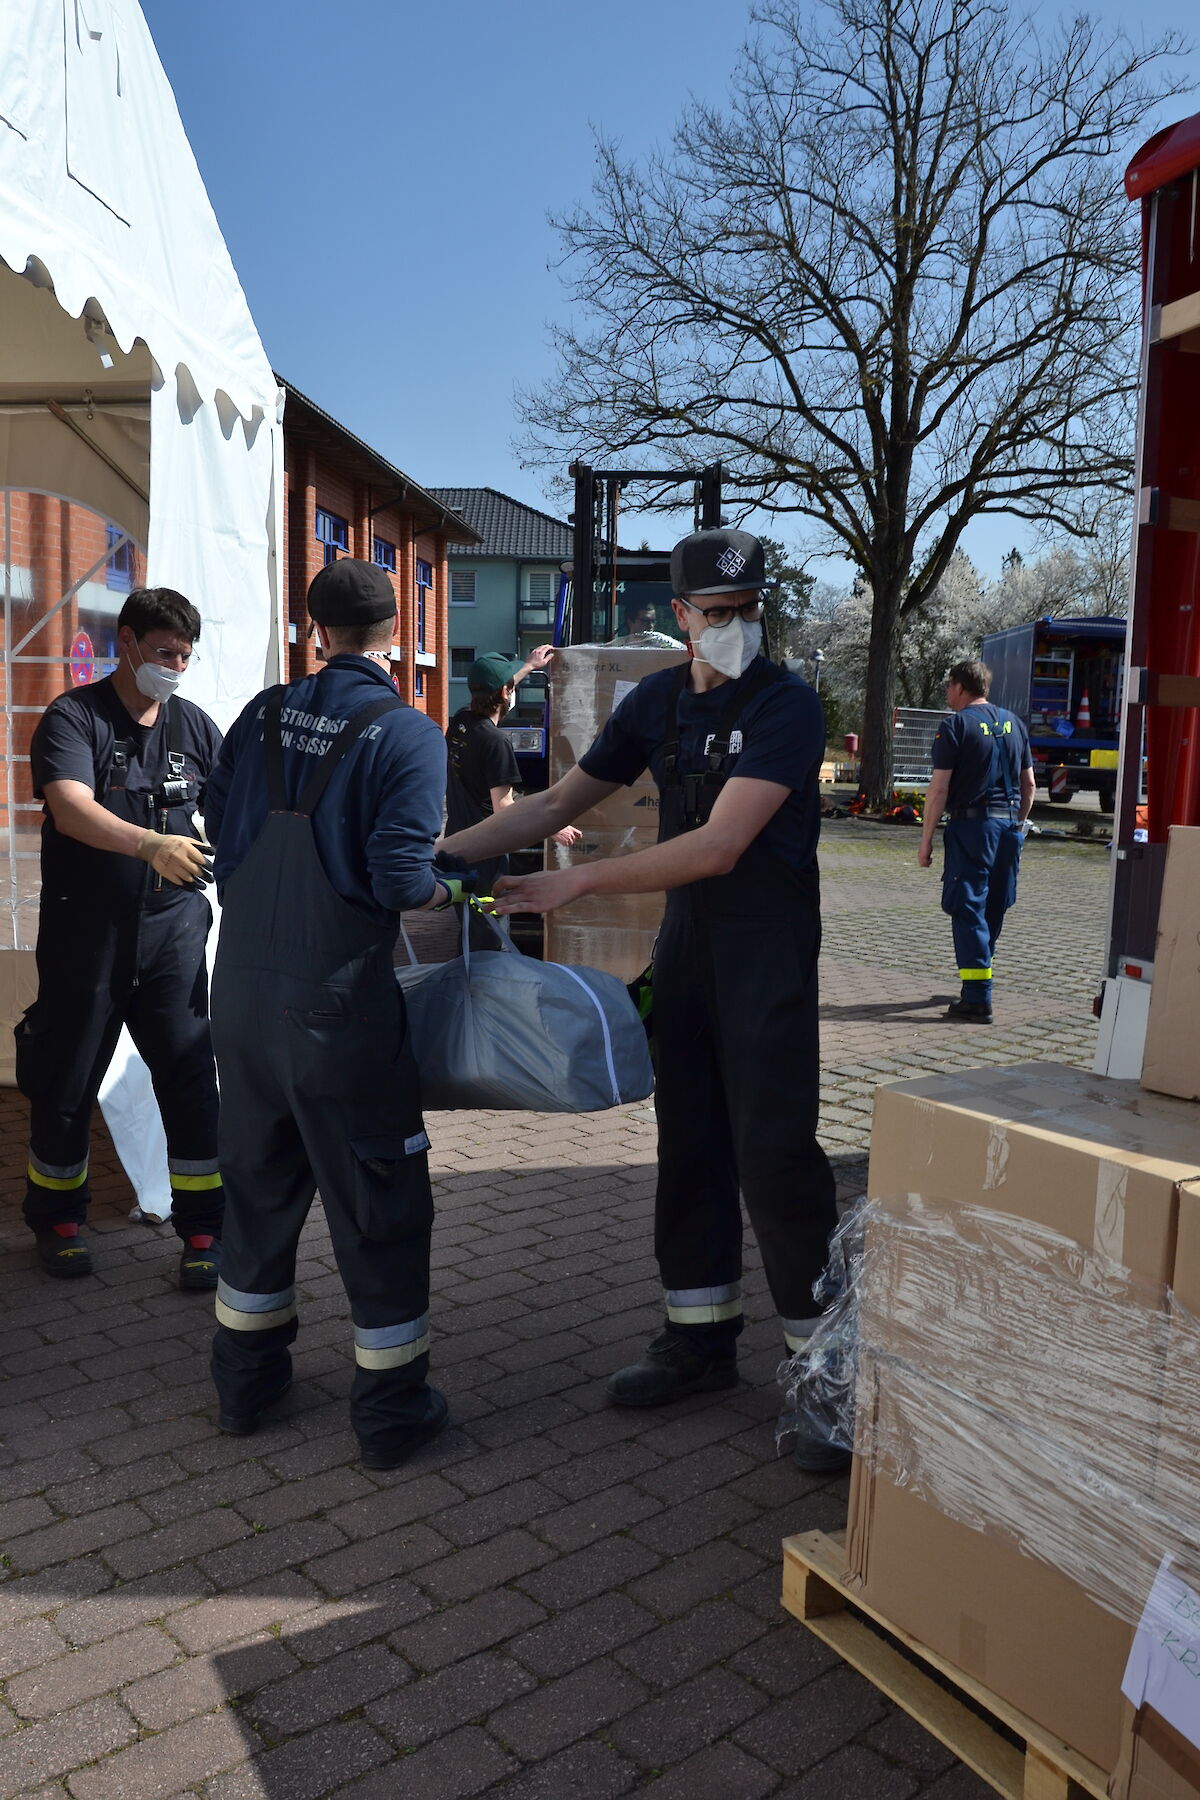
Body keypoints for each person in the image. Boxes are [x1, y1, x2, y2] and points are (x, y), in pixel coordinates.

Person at [442, 527, 845, 1471]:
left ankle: (830, 1375)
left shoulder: (788, 705)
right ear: (681, 617)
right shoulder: (657, 701)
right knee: (691, 1137)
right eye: (718, 613)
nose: (738, 627)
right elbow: (553, 805)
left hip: (766, 949)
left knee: (775, 1154)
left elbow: (719, 847)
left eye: (750, 612)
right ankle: (700, 1340)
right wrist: (435, 854)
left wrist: (577, 887)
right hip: (689, 946)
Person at [203, 558, 459, 1469]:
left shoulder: (263, 712)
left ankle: (245, 1384)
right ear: (396, 631)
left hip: (238, 993)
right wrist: (459, 885)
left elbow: (215, 818)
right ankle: (392, 1413)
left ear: (316, 632)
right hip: (336, 1007)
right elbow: (402, 880)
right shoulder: (408, 734)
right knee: (379, 1203)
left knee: (258, 1189)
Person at [17, 587, 222, 1288]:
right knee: (66, 1080)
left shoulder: (195, 728)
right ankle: (59, 1220)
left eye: (186, 657)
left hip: (172, 941)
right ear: (127, 642)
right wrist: (149, 844)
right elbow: (70, 809)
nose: (176, 667)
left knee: (192, 1084)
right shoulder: (74, 718)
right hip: (88, 938)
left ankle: (204, 1233)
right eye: (165, 652)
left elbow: (229, 816)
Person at [918, 658, 1036, 1024]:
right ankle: (980, 977)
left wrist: (926, 842)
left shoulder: (955, 726)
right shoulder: (1014, 723)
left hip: (972, 828)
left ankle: (977, 998)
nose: (947, 693)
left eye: (949, 686)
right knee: (994, 905)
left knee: (967, 906)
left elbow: (939, 789)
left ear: (960, 687)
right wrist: (1017, 825)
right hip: (1008, 829)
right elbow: (1029, 785)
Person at [445, 651, 581, 892]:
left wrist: (529, 666)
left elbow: (495, 689)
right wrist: (552, 825)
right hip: (486, 854)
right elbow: (504, 807)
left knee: (468, 922)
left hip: (459, 845)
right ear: (505, 693)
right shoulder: (495, 742)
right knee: (487, 922)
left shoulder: (460, 722)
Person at [610, 600, 680, 648]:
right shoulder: (616, 648)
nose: (651, 626)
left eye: (653, 621)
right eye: (645, 621)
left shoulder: (662, 647)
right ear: (630, 621)